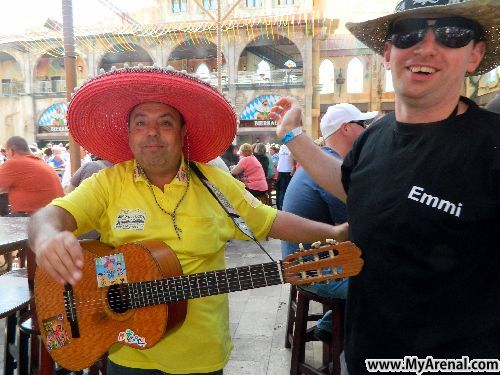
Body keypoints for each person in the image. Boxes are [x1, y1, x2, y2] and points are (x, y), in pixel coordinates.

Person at [27, 66, 349, 375]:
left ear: (182, 133)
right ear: (128, 134)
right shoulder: (108, 183)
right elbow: (48, 216)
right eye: (140, 123)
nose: (151, 132)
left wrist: (334, 232)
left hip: (200, 357)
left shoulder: (215, 184)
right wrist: (46, 238)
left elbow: (269, 219)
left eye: (165, 122)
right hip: (126, 351)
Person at [270, 0, 500, 373]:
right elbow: (353, 187)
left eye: (451, 34)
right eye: (409, 33)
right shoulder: (373, 137)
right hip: (365, 355)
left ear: (475, 55)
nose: (426, 47)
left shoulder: (491, 148)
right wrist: (293, 136)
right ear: (388, 54)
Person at [281, 103, 376, 342]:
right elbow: (358, 229)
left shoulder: (323, 161)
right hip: (313, 270)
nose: (367, 131)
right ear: (346, 128)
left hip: (307, 262)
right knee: (391, 283)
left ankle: (331, 323)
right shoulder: (331, 168)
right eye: (362, 125)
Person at [0, 136, 64, 216]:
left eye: (5, 151)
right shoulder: (40, 162)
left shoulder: (15, 163)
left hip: (33, 217)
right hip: (54, 216)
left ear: (11, 151)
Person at [275, 143, 295, 209]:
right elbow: (291, 157)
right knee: (288, 190)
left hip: (281, 170)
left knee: (281, 190)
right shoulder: (291, 146)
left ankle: (280, 206)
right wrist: (293, 168)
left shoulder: (282, 147)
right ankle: (286, 207)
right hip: (288, 170)